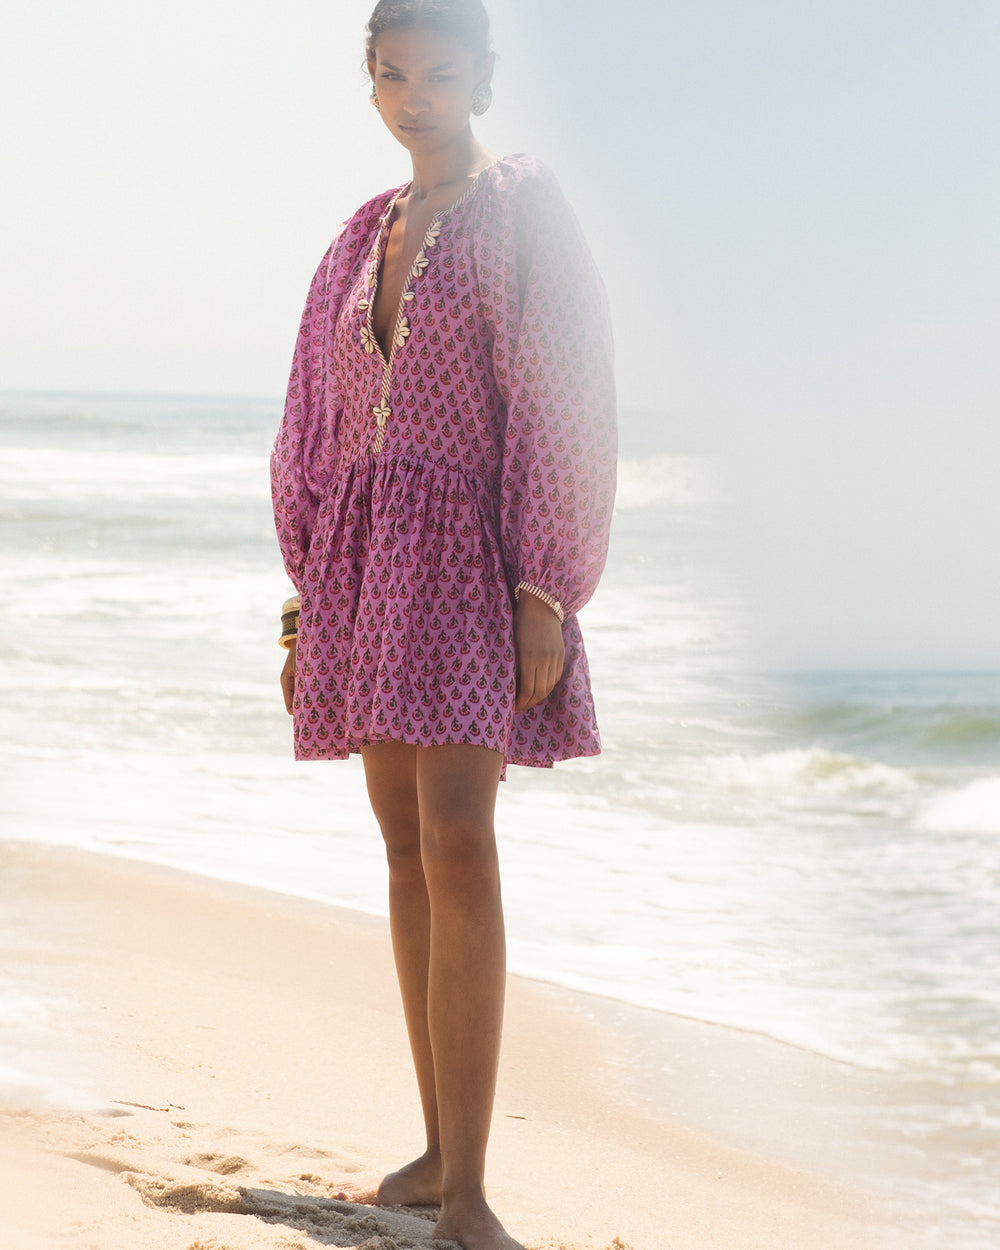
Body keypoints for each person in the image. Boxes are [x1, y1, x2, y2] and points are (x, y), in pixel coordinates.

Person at [270, 3, 616, 1247]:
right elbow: (314, 422)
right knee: (406, 851)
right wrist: (310, 593)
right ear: (371, 83)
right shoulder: (361, 234)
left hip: (472, 563)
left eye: (441, 73)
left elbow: (564, 392)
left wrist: (546, 588)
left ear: (485, 79)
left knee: (460, 839)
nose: (415, 96)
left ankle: (470, 1189)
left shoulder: (522, 210)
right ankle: (432, 1150)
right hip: (368, 569)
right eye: (392, 74)